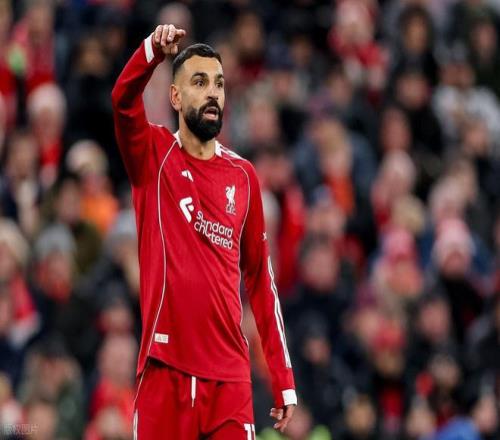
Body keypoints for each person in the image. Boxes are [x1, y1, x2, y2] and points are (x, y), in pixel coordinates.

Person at [111, 23, 296, 439]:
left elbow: (260, 280)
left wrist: (282, 376)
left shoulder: (244, 176)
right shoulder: (152, 155)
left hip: (229, 380)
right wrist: (150, 51)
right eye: (199, 82)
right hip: (164, 370)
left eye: (219, 84)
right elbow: (122, 101)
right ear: (175, 97)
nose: (213, 92)